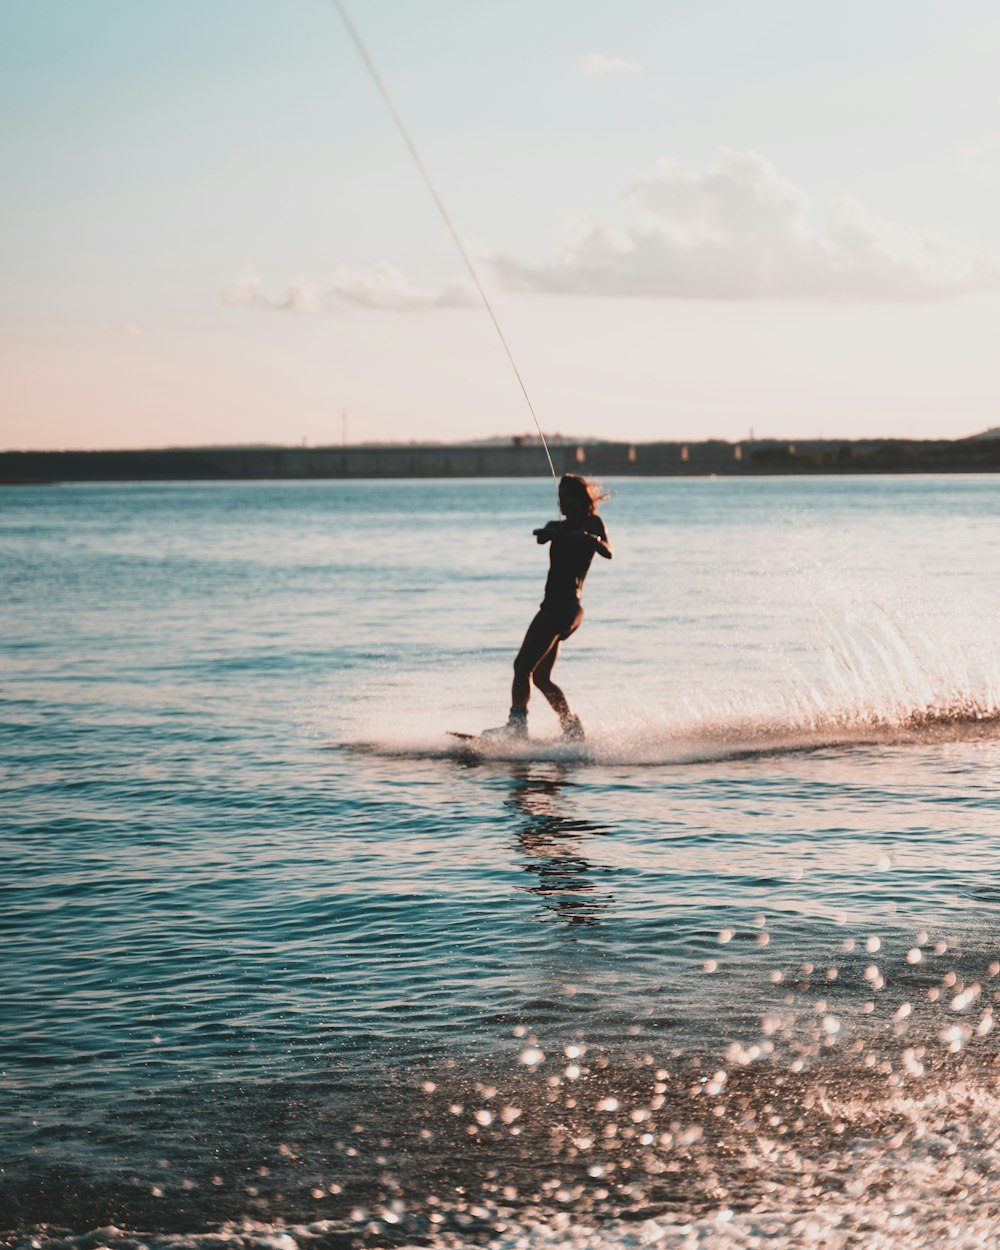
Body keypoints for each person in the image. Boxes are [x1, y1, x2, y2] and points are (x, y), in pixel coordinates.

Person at [487, 474, 612, 741]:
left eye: (567, 498)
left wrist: (586, 538)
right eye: (559, 498)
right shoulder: (556, 526)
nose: (562, 503)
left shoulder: (593, 524)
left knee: (522, 666)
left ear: (581, 500)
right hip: (558, 608)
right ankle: (571, 726)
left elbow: (608, 550)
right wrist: (552, 533)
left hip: (564, 606)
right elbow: (542, 539)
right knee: (541, 676)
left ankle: (517, 727)